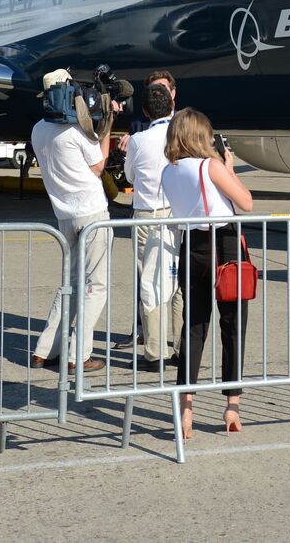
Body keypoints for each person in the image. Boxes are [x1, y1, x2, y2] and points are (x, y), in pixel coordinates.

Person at [162, 107, 254, 437]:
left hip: (193, 245)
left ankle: (185, 408)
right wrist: (229, 169)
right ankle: (232, 404)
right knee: (232, 326)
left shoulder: (169, 171)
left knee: (194, 327)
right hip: (225, 244)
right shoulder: (210, 166)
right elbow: (246, 202)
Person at [30, 69, 117, 372]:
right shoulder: (76, 131)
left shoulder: (38, 130)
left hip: (63, 215)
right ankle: (77, 354)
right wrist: (106, 125)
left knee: (70, 283)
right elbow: (98, 166)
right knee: (97, 285)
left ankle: (44, 349)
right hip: (91, 212)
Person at [113, 82, 183, 367]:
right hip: (176, 213)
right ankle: (181, 347)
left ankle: (154, 351)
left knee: (149, 283)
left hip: (146, 214)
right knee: (178, 282)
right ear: (173, 106)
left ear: (144, 110)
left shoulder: (139, 139)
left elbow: (129, 178)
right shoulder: (180, 135)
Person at [119, 69, 176, 150]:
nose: (158, 94)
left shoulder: (186, 122)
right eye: (153, 91)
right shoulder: (137, 126)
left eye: (162, 89)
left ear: (173, 93)